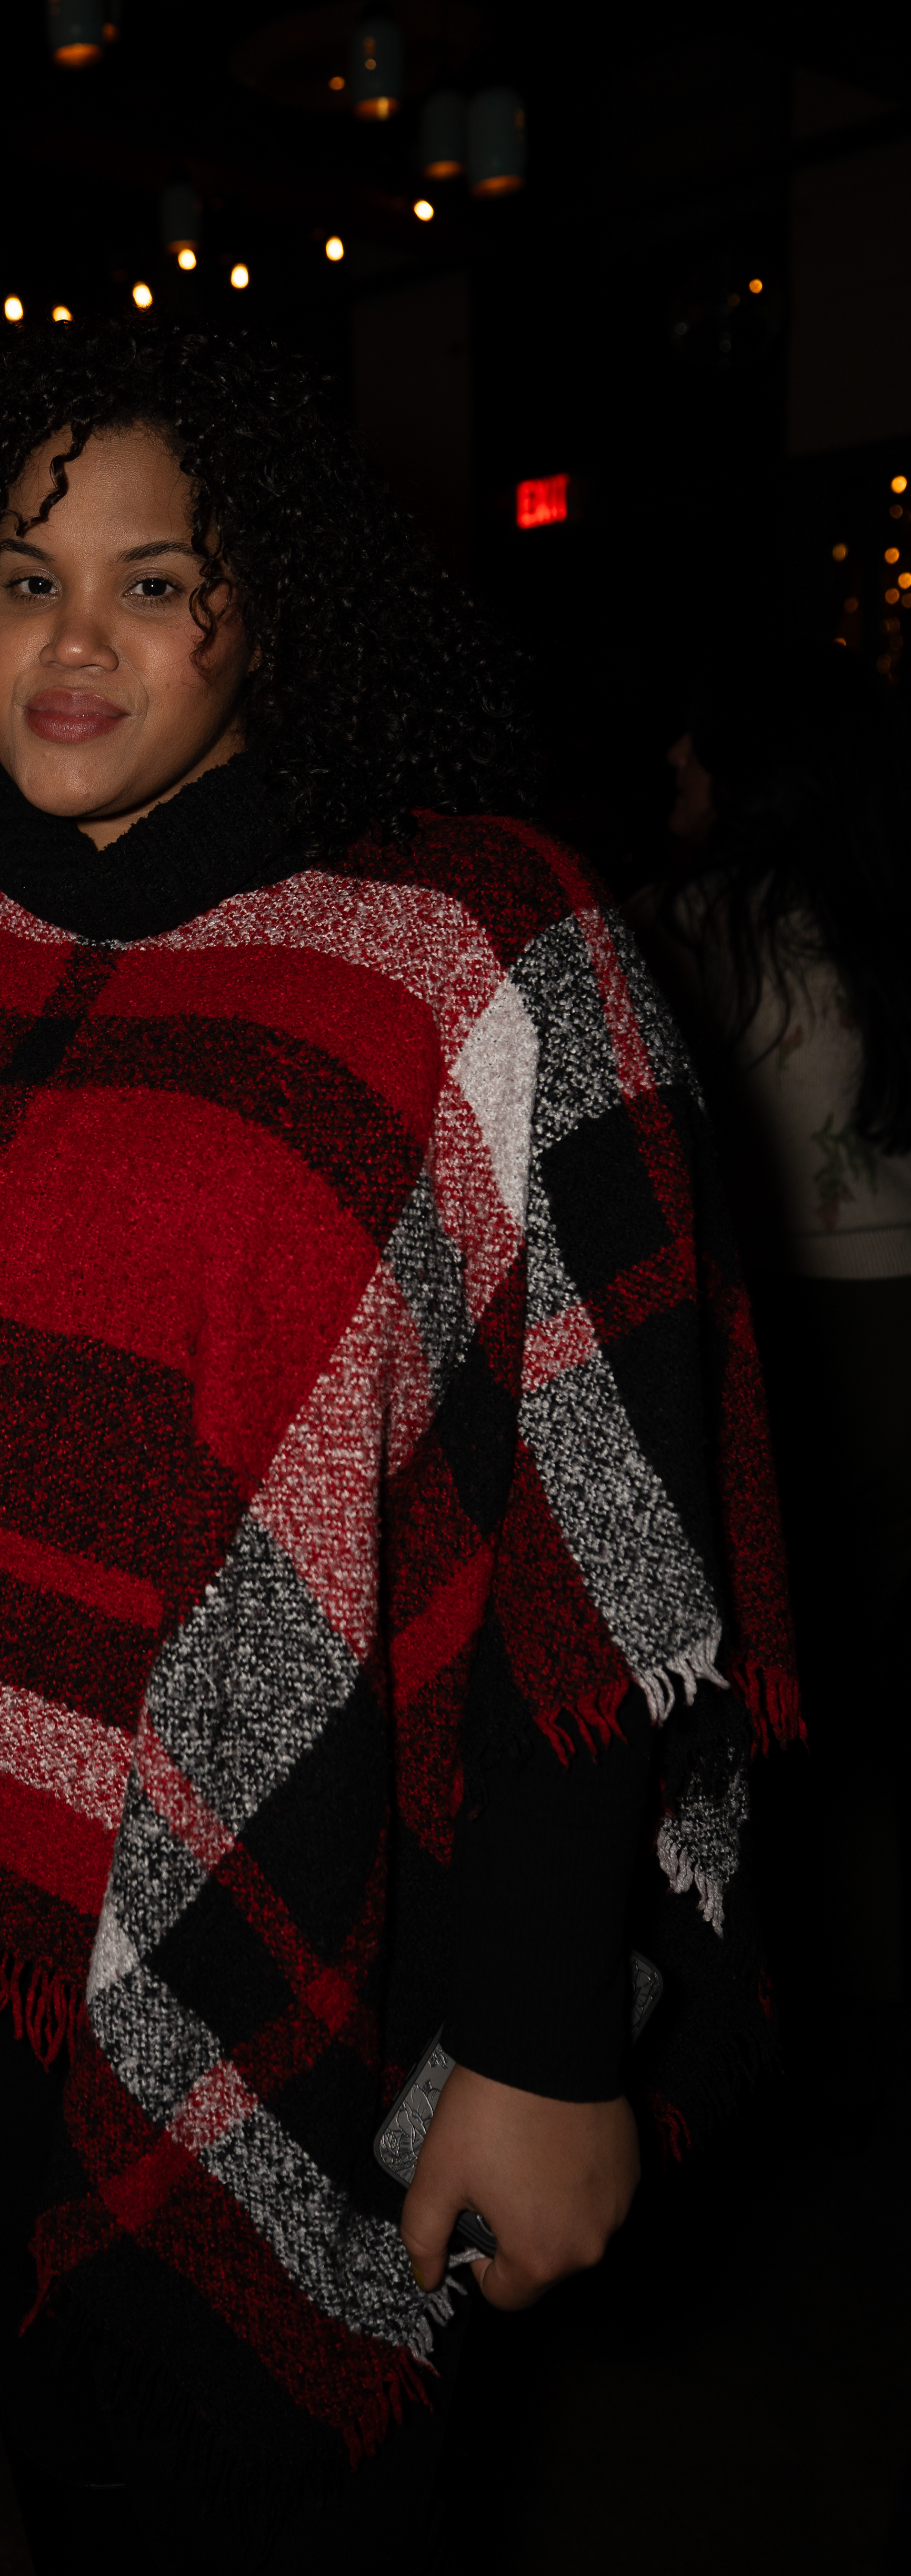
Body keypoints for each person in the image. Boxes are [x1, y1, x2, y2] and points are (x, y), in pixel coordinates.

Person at [0, 323, 797, 2573]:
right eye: (27, 582)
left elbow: (599, 1524)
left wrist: (543, 2033)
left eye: (156, 583)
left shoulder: (474, 945)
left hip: (323, 1911)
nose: (77, 642)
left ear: (272, 611)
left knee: (279, 2496)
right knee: (65, 2460)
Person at [644, 647, 910, 2032]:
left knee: (808, 1698)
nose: (674, 761)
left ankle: (821, 2009)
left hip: (791, 1333)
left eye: (699, 741)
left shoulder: (682, 931)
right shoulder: (887, 915)